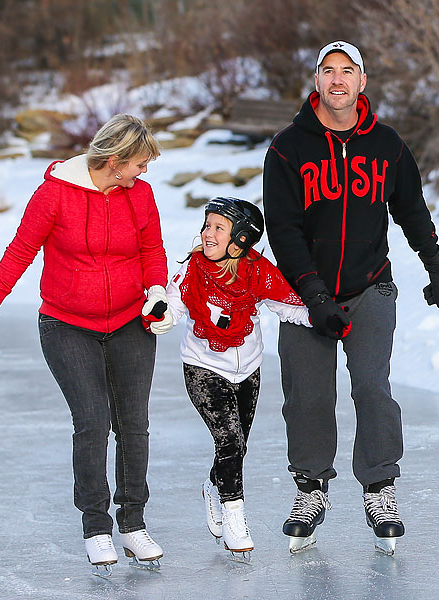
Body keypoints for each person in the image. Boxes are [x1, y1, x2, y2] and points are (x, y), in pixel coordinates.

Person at [262, 40, 439, 555]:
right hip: (304, 298)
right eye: (328, 70)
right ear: (317, 82)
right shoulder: (287, 148)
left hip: (370, 287)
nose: (338, 79)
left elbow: (411, 210)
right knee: (308, 398)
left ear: (362, 82)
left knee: (372, 388)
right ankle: (310, 490)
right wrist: (314, 294)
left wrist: (436, 265)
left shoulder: (387, 145)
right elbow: (282, 228)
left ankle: (380, 487)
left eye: (348, 71)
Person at [0, 114, 174, 575]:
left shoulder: (139, 194)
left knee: (134, 425)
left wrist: (157, 291)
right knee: (93, 423)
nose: (144, 173)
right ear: (115, 161)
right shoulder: (55, 193)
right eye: (140, 163)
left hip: (129, 322)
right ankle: (97, 527)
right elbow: (20, 250)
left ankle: (133, 522)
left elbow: (151, 249)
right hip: (67, 324)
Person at [156, 196, 310, 560]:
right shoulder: (193, 268)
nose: (207, 234)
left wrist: (322, 317)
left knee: (237, 444)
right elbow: (173, 305)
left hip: (249, 369)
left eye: (218, 228)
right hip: (203, 366)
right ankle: (235, 515)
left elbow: (286, 305)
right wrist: (161, 316)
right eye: (206, 225)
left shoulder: (257, 270)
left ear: (240, 240)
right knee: (229, 442)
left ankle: (215, 485)